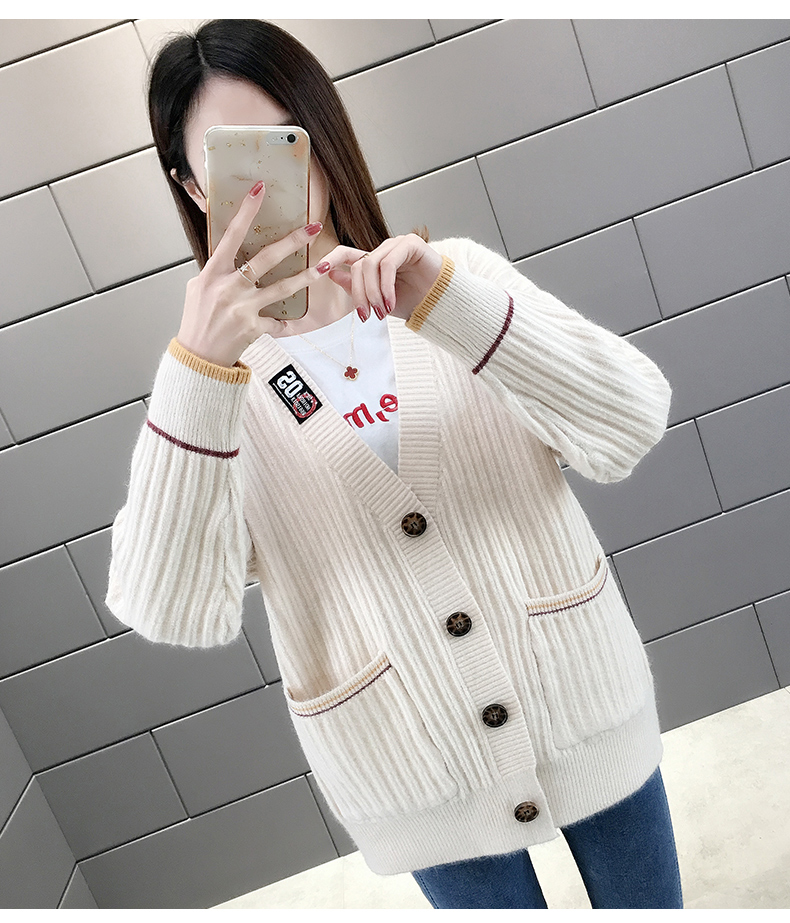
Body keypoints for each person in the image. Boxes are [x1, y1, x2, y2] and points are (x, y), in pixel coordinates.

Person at [106, 19, 683, 910]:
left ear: (326, 134)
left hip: (583, 697)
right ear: (191, 185)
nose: (274, 185)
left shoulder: (455, 278)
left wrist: (449, 307)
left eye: (288, 141)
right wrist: (198, 372)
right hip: (412, 765)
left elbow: (631, 419)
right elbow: (171, 605)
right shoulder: (214, 386)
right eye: (233, 159)